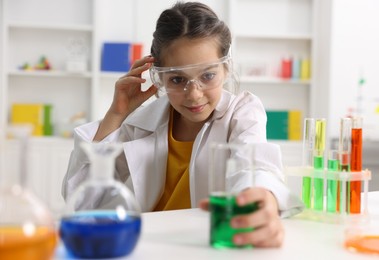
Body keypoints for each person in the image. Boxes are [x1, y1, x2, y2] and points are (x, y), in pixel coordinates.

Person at [62, 1, 303, 248]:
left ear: (226, 68)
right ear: (158, 77)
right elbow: (84, 205)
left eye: (208, 76)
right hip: (146, 246)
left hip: (200, 248)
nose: (194, 94)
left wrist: (263, 198)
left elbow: (255, 168)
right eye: (178, 79)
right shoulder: (139, 124)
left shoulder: (241, 113)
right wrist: (116, 113)